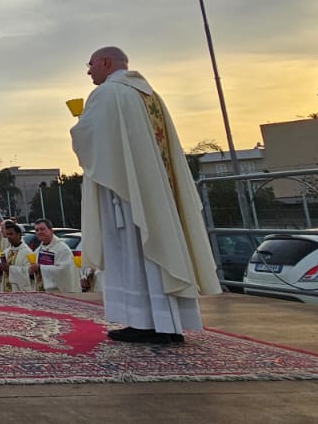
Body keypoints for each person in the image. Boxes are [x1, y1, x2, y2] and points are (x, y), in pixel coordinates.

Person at [72, 46, 220, 344]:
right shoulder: (149, 95)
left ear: (105, 62)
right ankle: (168, 322)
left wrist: (78, 122)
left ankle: (143, 321)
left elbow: (89, 138)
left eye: (90, 65)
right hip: (155, 190)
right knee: (154, 248)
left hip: (126, 195)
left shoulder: (108, 94)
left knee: (134, 251)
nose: (89, 72)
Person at [30, 219, 80, 294]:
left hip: (58, 293)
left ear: (51, 230)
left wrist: (40, 268)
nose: (39, 232)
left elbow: (65, 271)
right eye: (37, 230)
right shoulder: (39, 249)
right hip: (41, 291)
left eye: (42, 229)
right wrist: (31, 271)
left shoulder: (62, 249)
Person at [0, 221, 35, 292]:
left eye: (11, 234)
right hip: (5, 290)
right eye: (7, 234)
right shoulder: (6, 252)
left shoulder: (27, 252)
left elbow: (29, 273)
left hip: (19, 291)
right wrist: (0, 269)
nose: (9, 236)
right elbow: (0, 274)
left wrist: (10, 269)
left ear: (19, 235)